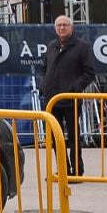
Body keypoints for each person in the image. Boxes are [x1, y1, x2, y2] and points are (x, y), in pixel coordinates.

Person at [37, 14, 97, 177]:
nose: (62, 28)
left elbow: (89, 72)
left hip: (71, 99)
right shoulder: (51, 46)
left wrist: (74, 88)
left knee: (73, 136)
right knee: (55, 137)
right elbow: (44, 68)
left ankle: (76, 169)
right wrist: (43, 85)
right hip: (52, 99)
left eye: (65, 25)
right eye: (59, 25)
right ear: (55, 28)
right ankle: (63, 168)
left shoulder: (82, 47)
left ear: (72, 27)